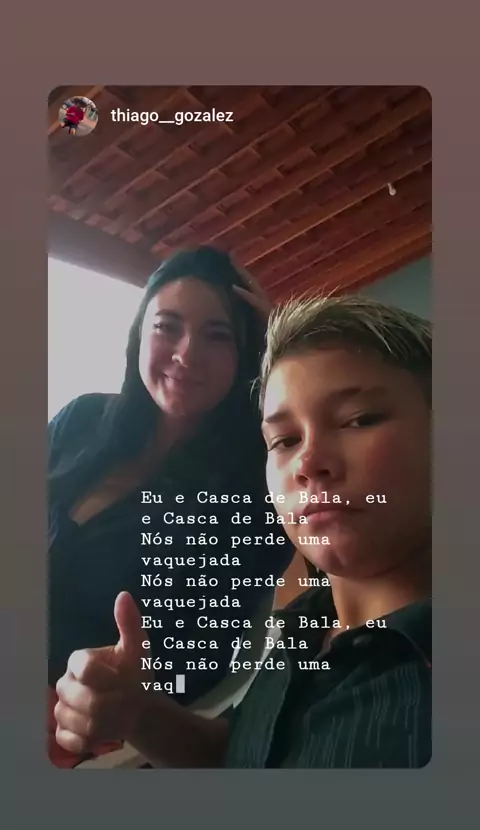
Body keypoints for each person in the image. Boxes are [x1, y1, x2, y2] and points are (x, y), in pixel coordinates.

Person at [54, 293, 432, 768]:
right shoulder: (300, 628)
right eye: (285, 440)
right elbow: (242, 755)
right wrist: (139, 713)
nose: (308, 462)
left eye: (359, 420)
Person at [48, 246, 294, 766]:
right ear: (140, 332)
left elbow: (193, 665)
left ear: (247, 354)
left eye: (218, 335)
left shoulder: (253, 492)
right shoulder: (82, 418)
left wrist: (284, 351)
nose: (186, 354)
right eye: (167, 326)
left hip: (70, 721)